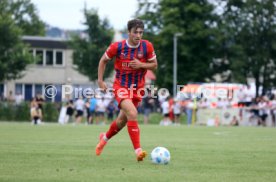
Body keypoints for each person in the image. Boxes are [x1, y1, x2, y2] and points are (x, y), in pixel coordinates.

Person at [95, 19, 158, 162]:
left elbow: (154, 65)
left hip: (138, 89)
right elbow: (103, 61)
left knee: (122, 121)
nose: (138, 35)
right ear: (128, 32)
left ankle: (103, 140)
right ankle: (138, 151)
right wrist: (100, 80)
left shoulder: (147, 46)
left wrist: (141, 64)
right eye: (135, 32)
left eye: (141, 32)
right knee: (133, 113)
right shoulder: (117, 47)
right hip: (121, 87)